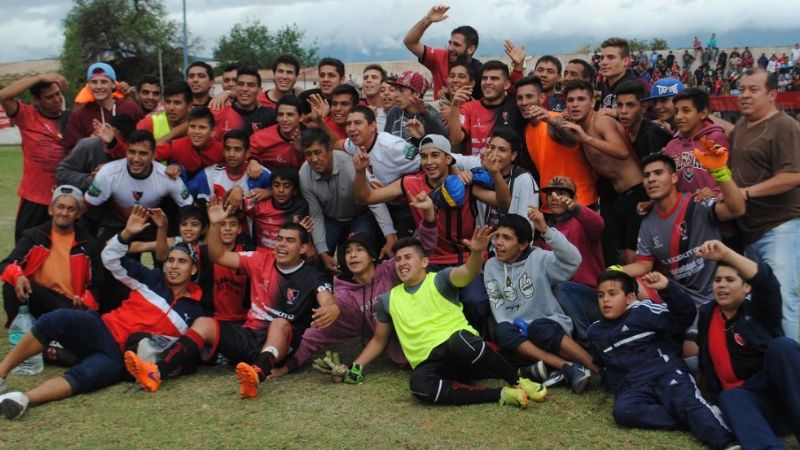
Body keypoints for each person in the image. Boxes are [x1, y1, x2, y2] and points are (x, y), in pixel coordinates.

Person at [0, 206, 204, 420]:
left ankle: (22, 399)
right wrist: (126, 234)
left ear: (193, 269)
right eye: (170, 260)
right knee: (57, 318)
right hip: (102, 329)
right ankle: (2, 372)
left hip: (119, 359)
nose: (173, 266)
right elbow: (110, 259)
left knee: (84, 377)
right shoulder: (151, 279)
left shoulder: (195, 312)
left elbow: (190, 350)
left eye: (181, 262)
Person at [124, 202, 337, 400]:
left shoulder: (311, 275)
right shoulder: (260, 259)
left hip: (281, 346)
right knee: (205, 323)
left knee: (279, 323)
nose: (281, 244)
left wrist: (332, 308)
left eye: (289, 241)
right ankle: (157, 371)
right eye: (279, 239)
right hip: (248, 336)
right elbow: (218, 255)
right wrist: (215, 224)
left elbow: (327, 299)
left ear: (302, 249)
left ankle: (257, 373)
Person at [334, 232, 547, 409]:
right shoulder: (389, 299)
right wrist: (356, 367)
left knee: (459, 341)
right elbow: (379, 340)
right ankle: (501, 394)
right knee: (418, 386)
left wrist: (476, 252)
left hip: (463, 351)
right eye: (397, 259)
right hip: (433, 364)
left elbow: (468, 272)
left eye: (408, 257)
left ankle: (519, 381)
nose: (401, 263)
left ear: (424, 261)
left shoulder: (440, 280)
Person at [274, 193, 439, 377]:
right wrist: (284, 368)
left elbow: (422, 248)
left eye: (359, 250)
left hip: (429, 341)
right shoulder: (345, 297)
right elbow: (315, 336)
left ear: (373, 256)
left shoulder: (391, 269)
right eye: (348, 252)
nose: (352, 255)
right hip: (404, 359)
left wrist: (429, 216)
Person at [588, 269, 738, 449]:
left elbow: (684, 316)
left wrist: (667, 288)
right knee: (623, 412)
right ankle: (698, 418)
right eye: (600, 295)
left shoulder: (643, 311)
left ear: (629, 298)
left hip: (665, 373)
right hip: (633, 385)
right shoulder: (595, 332)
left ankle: (725, 442)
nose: (605, 300)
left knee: (687, 402)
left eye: (612, 294)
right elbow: (605, 364)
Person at [621, 152, 745, 358]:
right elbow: (643, 266)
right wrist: (612, 272)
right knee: (631, 282)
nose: (651, 179)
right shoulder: (647, 222)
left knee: (703, 353)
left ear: (674, 178)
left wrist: (720, 173)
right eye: (646, 176)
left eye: (658, 173)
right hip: (683, 301)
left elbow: (737, 208)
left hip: (717, 293)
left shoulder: (697, 203)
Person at [692, 240, 800, 449]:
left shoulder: (760, 312)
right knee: (730, 396)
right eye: (717, 280)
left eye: (730, 280)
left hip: (781, 394)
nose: (721, 285)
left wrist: (726, 254)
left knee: (782, 347)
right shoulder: (707, 315)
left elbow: (767, 283)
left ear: (747, 287)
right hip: (752, 408)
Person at [486, 213, 598, 393]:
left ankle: (596, 368)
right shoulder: (491, 266)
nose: (498, 243)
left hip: (547, 326)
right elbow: (500, 309)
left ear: (523, 244)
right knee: (502, 331)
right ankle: (565, 366)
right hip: (519, 338)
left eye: (506, 238)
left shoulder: (539, 258)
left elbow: (573, 260)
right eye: (497, 236)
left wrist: (546, 230)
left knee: (538, 328)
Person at [728, 68, 800, 341]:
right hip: (750, 229)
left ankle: (792, 370)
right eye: (741, 89)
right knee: (760, 301)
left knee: (782, 298)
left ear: (772, 94)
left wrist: (745, 194)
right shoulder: (742, 126)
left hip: (780, 225)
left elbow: (793, 176)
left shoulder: (784, 126)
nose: (744, 95)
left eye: (753, 89)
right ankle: (770, 365)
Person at [558, 79, 644, 265]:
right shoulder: (581, 127)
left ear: (592, 101)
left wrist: (586, 138)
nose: (575, 104)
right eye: (570, 100)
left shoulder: (601, 121)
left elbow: (621, 152)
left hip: (637, 192)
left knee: (633, 257)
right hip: (617, 197)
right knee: (618, 256)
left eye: (581, 99)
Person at [299, 128, 397, 271]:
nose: (314, 159)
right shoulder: (304, 174)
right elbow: (316, 214)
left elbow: (373, 199)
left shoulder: (349, 164)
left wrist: (390, 235)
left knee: (360, 254)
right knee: (319, 261)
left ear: (330, 150)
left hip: (360, 216)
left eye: (318, 152)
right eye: (308, 154)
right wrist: (322, 252)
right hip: (331, 219)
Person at [1, 186, 95, 325]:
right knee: (11, 284)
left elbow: (98, 283)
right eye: (60, 207)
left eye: (71, 209)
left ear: (79, 214)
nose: (64, 213)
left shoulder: (89, 243)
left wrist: (85, 300)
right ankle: (20, 331)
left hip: (69, 303)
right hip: (38, 295)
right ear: (51, 209)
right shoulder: (34, 235)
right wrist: (18, 275)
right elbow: (6, 264)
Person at [0, 73, 71, 241]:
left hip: (66, 199)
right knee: (26, 251)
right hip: (35, 197)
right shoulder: (27, 116)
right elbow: (4, 95)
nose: (56, 100)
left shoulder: (72, 119)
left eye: (58, 94)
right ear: (36, 100)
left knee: (63, 253)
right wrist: (40, 78)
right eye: (49, 97)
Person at [540, 176, 605, 347]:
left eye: (562, 193)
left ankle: (589, 347)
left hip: (591, 297)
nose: (555, 197)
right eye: (551, 193)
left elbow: (598, 224)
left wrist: (576, 208)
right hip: (559, 301)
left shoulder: (583, 222)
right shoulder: (545, 230)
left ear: (574, 198)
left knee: (562, 289)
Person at [515, 76, 597, 207]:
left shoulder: (554, 119)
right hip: (551, 205)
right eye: (520, 98)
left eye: (529, 96)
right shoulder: (528, 129)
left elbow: (571, 139)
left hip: (578, 202)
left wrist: (551, 121)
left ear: (542, 98)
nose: (524, 102)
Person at [452, 128, 538, 227]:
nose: (495, 154)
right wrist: (454, 171)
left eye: (502, 150)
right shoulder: (479, 164)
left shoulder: (524, 180)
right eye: (492, 147)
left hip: (511, 240)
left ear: (513, 155)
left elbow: (527, 225)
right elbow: (445, 156)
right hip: (481, 241)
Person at [403, 5, 483, 100]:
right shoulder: (440, 57)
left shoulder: (481, 72)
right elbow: (410, 42)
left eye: (456, 45)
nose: (450, 48)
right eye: (450, 43)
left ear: (470, 49)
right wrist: (427, 20)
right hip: (439, 113)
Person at [448, 60, 524, 155]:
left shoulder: (515, 106)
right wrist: (454, 105)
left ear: (506, 84)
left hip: (506, 167)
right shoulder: (469, 108)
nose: (487, 82)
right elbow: (455, 139)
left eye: (494, 78)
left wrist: (518, 66)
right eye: (484, 78)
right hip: (475, 167)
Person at [663, 88, 730, 195]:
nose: (679, 117)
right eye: (676, 111)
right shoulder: (671, 146)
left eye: (686, 110)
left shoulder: (715, 138)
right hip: (683, 208)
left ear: (703, 113)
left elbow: (730, 175)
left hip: (712, 207)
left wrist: (715, 192)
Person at [63, 63, 143, 151]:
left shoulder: (129, 107)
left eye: (104, 82)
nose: (99, 86)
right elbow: (70, 150)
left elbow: (144, 140)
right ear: (88, 85)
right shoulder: (79, 116)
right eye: (94, 82)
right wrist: (89, 142)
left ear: (113, 84)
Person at [187, 129, 271, 205]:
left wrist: (269, 192)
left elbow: (281, 190)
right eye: (228, 149)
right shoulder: (209, 174)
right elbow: (184, 195)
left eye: (237, 149)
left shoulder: (260, 173)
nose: (231, 154)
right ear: (223, 151)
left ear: (248, 153)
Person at [56, 114, 136, 192]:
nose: (106, 139)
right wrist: (90, 179)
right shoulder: (88, 145)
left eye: (113, 138)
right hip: (86, 198)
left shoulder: (134, 154)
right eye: (106, 133)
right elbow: (62, 173)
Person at [245, 166, 309, 250]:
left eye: (286, 186)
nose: (281, 190)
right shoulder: (258, 202)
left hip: (287, 255)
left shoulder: (301, 206)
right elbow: (237, 207)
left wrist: (309, 244)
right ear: (271, 188)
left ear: (294, 190)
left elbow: (305, 230)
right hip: (261, 255)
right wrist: (237, 190)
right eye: (276, 185)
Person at [155, 106, 223, 179]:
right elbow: (148, 156)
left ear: (213, 132)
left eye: (202, 127)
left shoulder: (222, 151)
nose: (196, 132)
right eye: (192, 127)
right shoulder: (174, 146)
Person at [211, 66, 276, 142]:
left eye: (251, 85)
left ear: (259, 90)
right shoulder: (220, 112)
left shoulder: (270, 115)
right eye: (241, 84)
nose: (245, 89)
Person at [384, 71, 446, 146]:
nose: (396, 94)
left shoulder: (429, 113)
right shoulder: (394, 112)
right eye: (396, 89)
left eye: (401, 90)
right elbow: (385, 142)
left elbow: (443, 139)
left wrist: (425, 113)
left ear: (416, 94)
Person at [615, 80, 673, 161]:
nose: (623, 111)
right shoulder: (621, 132)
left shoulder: (654, 135)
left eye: (630, 105)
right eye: (619, 105)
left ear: (644, 107)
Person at [249, 95, 305, 170]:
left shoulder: (310, 137)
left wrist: (299, 153)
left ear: (301, 117)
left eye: (290, 115)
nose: (284, 119)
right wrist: (252, 160)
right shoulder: (262, 137)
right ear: (277, 117)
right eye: (281, 115)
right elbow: (243, 152)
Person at [597, 38, 645, 110]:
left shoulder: (640, 86)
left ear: (626, 61)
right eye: (602, 58)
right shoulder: (604, 86)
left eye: (610, 57)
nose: (603, 62)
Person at [361, 64, 388, 130]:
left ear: (383, 83)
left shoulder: (393, 112)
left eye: (374, 77)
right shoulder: (357, 110)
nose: (368, 80)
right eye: (365, 78)